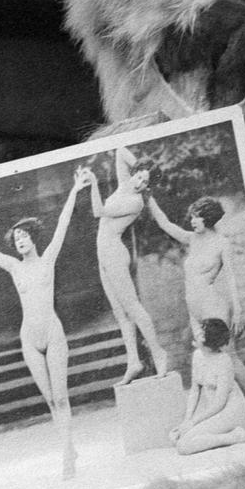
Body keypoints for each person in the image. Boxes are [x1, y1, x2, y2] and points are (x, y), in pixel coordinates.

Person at [0, 166, 93, 479]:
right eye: (16, 238)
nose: (20, 241)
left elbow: (63, 224)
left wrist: (75, 190)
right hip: (30, 339)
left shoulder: (48, 259)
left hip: (52, 333)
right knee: (50, 399)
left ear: (33, 238)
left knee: (61, 397)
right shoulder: (13, 266)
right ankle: (67, 445)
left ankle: (68, 455)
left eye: (24, 236)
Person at [147, 193, 245, 424]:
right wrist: (148, 197)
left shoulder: (221, 243)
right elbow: (164, 223)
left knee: (229, 355)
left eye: (197, 217)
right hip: (194, 308)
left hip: (213, 305)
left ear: (208, 218)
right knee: (206, 358)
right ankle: (220, 411)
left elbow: (231, 277)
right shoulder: (191, 239)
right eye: (192, 217)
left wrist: (238, 311)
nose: (192, 221)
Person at [88, 146, 169, 384]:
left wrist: (93, 182)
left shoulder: (136, 202)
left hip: (114, 253)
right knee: (120, 313)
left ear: (148, 187)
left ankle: (158, 352)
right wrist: (145, 167)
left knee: (132, 307)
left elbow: (99, 211)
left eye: (145, 182)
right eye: (139, 176)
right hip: (103, 255)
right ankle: (134, 361)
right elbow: (120, 150)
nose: (139, 183)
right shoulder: (126, 183)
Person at [171, 318, 245, 455]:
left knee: (183, 446)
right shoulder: (198, 355)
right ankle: (227, 435)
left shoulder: (224, 361)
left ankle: (235, 437)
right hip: (214, 412)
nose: (196, 334)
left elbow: (219, 403)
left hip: (230, 412)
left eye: (201, 334)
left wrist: (193, 423)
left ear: (210, 343)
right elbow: (195, 390)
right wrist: (187, 420)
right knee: (174, 436)